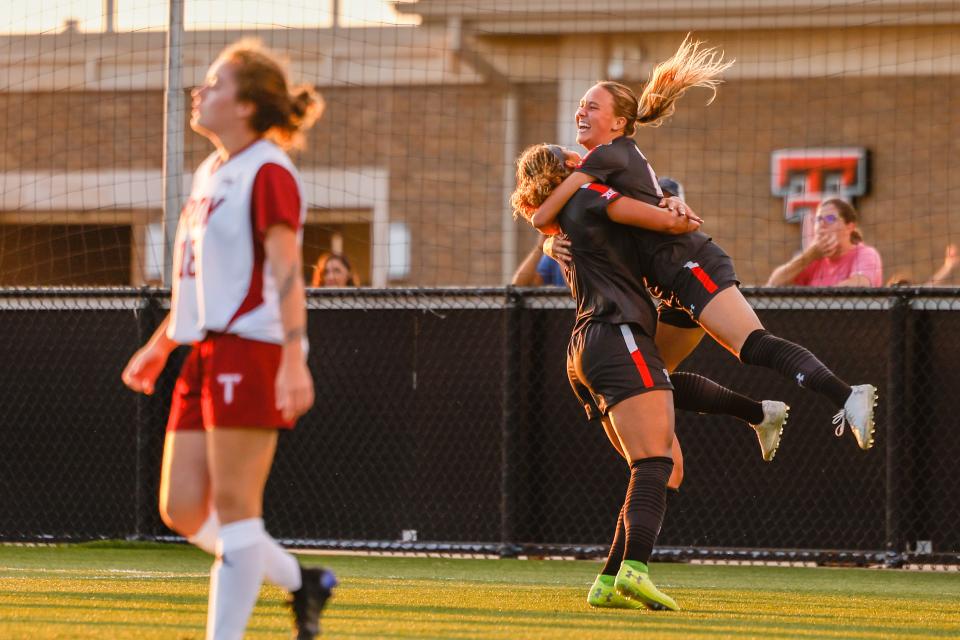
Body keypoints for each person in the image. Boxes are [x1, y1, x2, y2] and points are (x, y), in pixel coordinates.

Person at [120, 39, 335, 640]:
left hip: (254, 347)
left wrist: (294, 358)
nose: (200, 91)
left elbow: (287, 271)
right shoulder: (212, 170)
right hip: (204, 351)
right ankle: (301, 582)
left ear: (246, 105)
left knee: (240, 513)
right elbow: (200, 279)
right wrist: (164, 343)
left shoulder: (269, 169)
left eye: (214, 83)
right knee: (182, 508)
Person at [767, 198, 883, 287]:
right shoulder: (813, 258)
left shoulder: (865, 254)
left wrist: (815, 298)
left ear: (850, 227)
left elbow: (861, 284)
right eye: (818, 219)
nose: (822, 224)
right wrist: (809, 255)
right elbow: (774, 283)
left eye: (830, 219)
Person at [887, 243, 958, 287]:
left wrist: (948, 266)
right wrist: (947, 267)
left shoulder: (916, 300)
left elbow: (930, 286)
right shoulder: (883, 302)